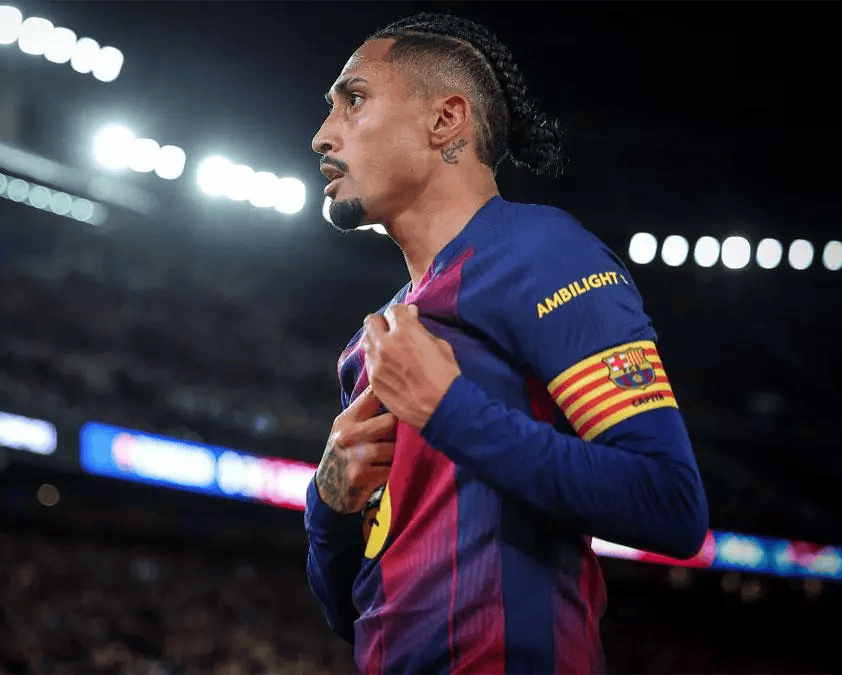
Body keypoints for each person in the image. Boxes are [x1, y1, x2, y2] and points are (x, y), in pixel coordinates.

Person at [303, 12, 709, 674]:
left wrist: (450, 410)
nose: (322, 134)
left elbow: (671, 505)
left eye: (354, 99)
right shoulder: (371, 345)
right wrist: (328, 508)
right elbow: (353, 615)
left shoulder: (543, 253)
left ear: (445, 120)